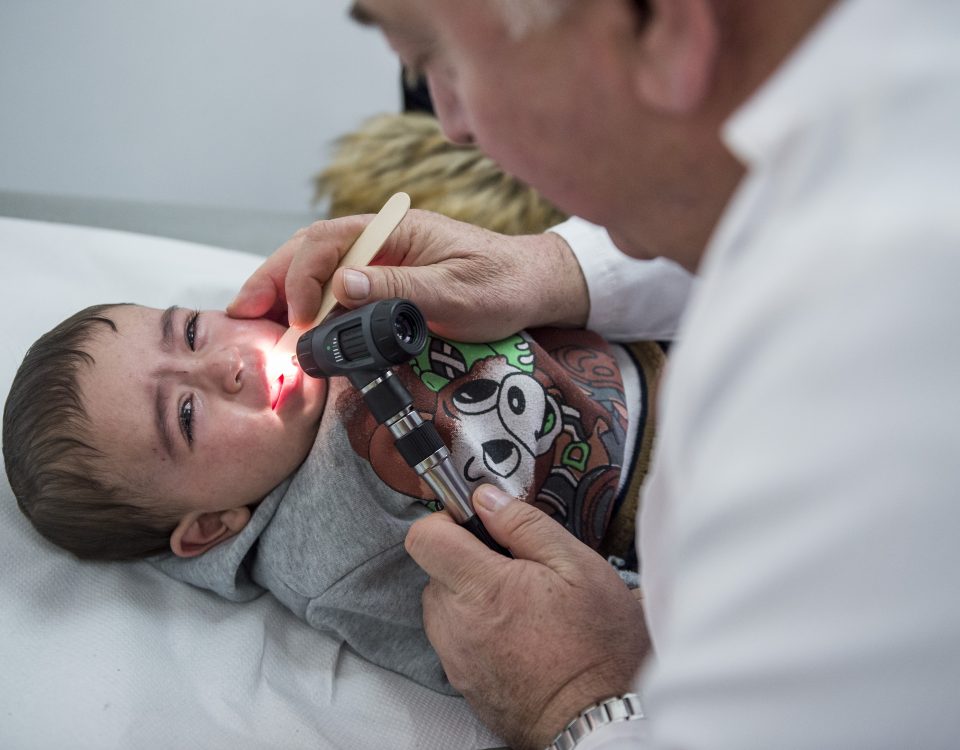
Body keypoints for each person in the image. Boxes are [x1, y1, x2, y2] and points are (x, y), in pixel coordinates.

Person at [226, 0, 960, 748]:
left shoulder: (884, 402)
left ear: (662, 24)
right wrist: (555, 267)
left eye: (441, 62)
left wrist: (583, 701)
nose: (452, 126)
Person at [2, 300, 662, 693]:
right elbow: (501, 650)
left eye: (192, 333)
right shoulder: (328, 563)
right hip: (652, 508)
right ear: (209, 527)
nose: (225, 365)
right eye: (184, 416)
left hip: (645, 354)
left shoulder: (311, 307)